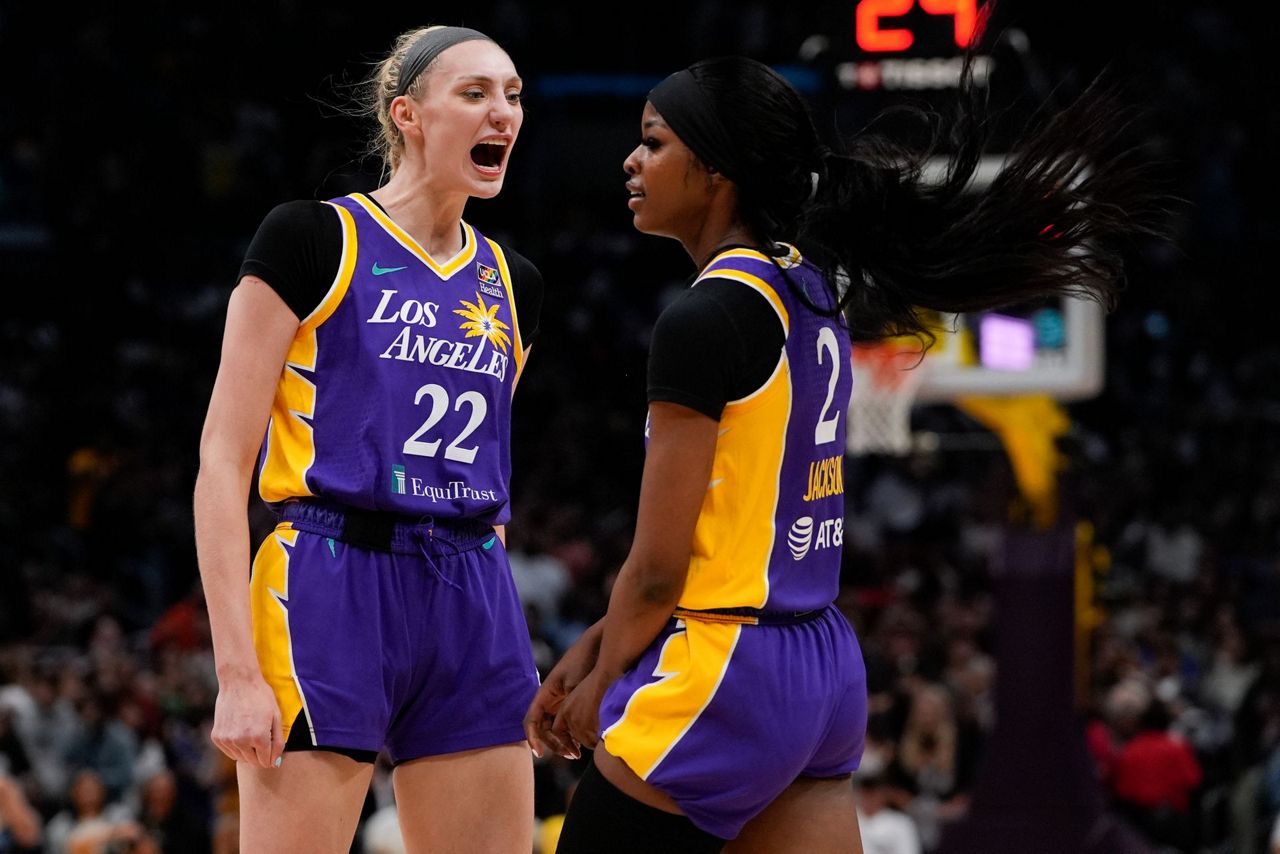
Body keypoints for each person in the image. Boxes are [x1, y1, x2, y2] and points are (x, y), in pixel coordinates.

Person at [525, 50, 1162, 852]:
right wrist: (594, 646)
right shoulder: (811, 287)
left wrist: (607, 677)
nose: (631, 160)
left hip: (724, 666)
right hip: (821, 668)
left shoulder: (703, 319)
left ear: (717, 169)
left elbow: (658, 567)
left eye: (653, 142)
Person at [194, 25, 543, 853]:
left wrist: (496, 616)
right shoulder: (311, 238)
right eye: (474, 93)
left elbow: (489, 465)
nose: (502, 112)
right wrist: (236, 673)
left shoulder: (514, 283)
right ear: (407, 115)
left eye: (512, 95)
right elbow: (221, 461)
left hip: (469, 587)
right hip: (330, 577)